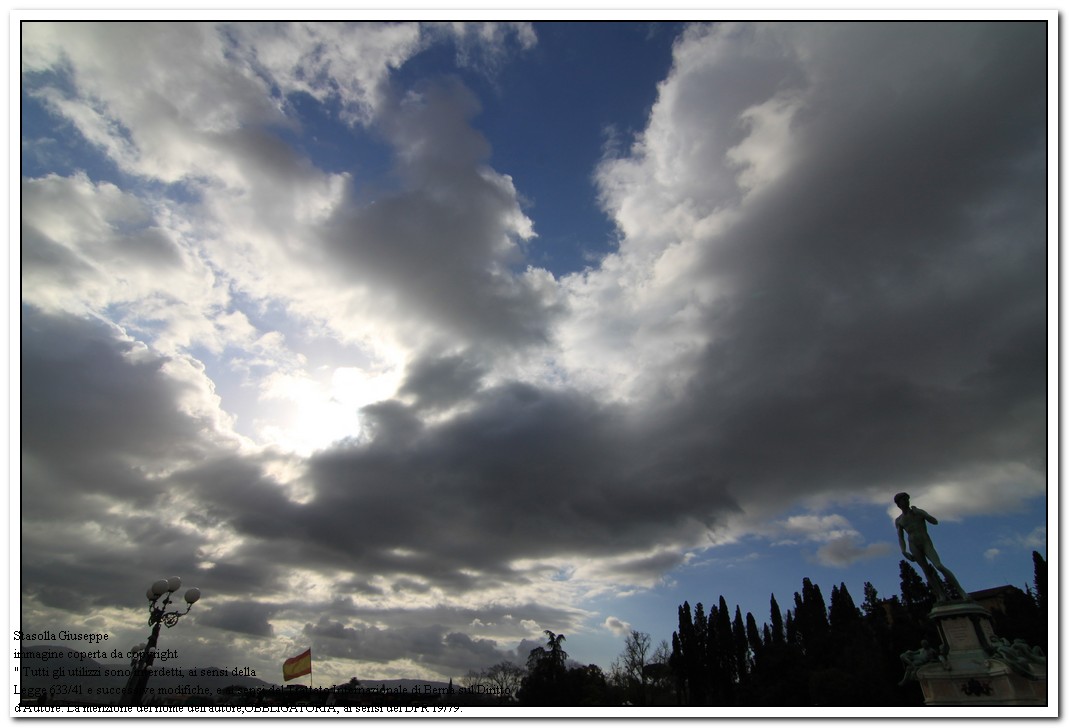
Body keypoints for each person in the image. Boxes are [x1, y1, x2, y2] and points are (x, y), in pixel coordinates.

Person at [894, 492, 968, 601]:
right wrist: (903, 551)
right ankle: (941, 595)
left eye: (907, 499)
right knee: (926, 570)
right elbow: (901, 537)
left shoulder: (917, 512)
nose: (906, 502)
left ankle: (961, 591)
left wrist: (923, 513)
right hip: (913, 544)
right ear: (899, 504)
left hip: (925, 542)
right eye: (903, 500)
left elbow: (934, 521)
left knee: (938, 566)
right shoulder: (899, 520)